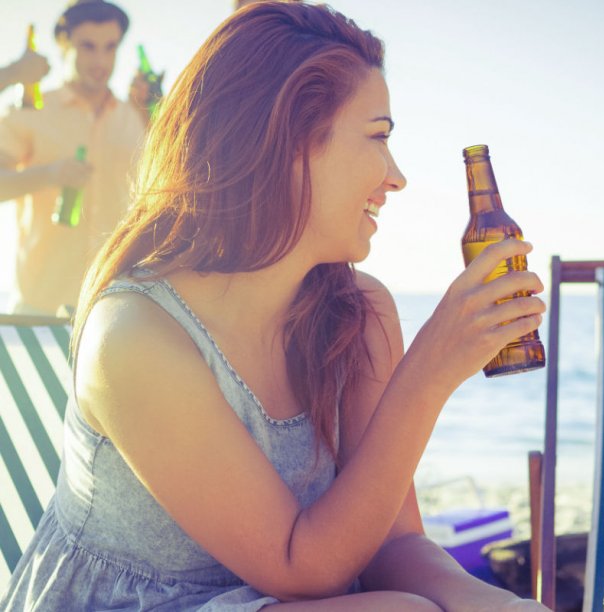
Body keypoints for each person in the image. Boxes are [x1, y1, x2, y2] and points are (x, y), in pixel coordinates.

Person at [0, 3, 548, 611]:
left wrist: (493, 602)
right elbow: (301, 567)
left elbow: (394, 541)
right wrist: (431, 371)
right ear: (288, 140)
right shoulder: (135, 336)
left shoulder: (357, 313)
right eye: (378, 137)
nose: (396, 177)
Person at [0, 0, 148, 316]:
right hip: (39, 303)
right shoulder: (30, 110)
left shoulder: (134, 118)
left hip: (114, 303)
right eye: (88, 47)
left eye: (110, 48)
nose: (100, 60)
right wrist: (50, 174)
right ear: (63, 46)